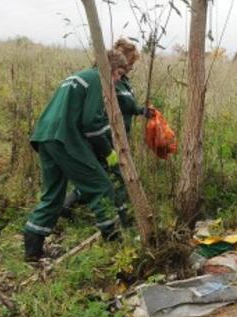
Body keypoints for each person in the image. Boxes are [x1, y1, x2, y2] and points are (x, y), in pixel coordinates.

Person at [23, 50, 128, 262]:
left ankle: (32, 250)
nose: (118, 80)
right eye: (119, 74)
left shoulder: (79, 76)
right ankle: (115, 246)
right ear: (111, 69)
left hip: (45, 136)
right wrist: (108, 152)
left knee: (53, 194)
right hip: (64, 139)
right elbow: (90, 124)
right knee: (101, 187)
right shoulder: (98, 80)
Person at [61, 38, 151, 225]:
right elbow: (125, 103)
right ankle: (122, 217)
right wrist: (139, 109)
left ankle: (68, 205)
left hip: (114, 134)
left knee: (104, 173)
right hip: (107, 136)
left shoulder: (121, 79)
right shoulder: (111, 79)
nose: (131, 67)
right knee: (118, 174)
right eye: (130, 62)